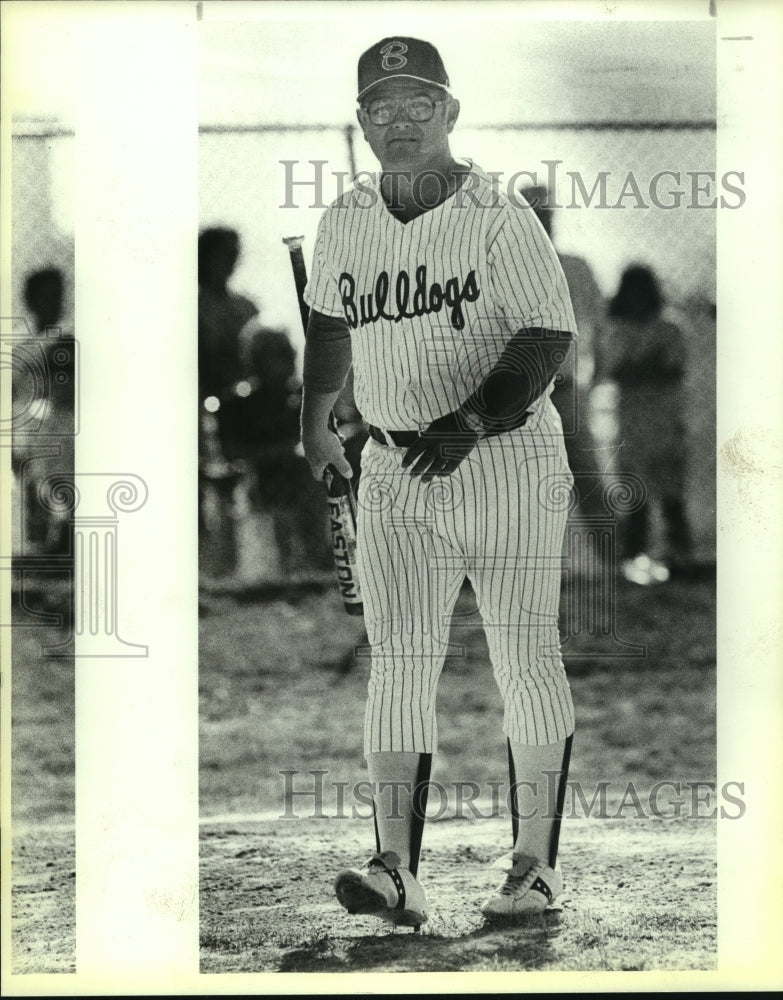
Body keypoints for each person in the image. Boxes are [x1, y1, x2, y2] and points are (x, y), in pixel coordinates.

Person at [300, 37, 577, 925]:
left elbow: (545, 339)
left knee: (525, 657)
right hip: (391, 466)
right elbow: (329, 329)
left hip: (509, 459)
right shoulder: (342, 218)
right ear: (361, 122)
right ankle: (394, 869)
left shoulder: (500, 214)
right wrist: (315, 422)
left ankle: (531, 869)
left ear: (451, 112)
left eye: (419, 104)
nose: (400, 122)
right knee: (398, 664)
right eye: (381, 108)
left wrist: (471, 420)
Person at [597, 265, 692, 583]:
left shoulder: (669, 327)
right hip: (633, 426)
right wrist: (647, 365)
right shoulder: (617, 329)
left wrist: (641, 368)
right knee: (636, 498)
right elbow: (617, 371)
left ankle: (681, 558)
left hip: (665, 423)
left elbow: (673, 369)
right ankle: (636, 562)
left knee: (671, 496)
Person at [518, 185, 605, 517]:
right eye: (535, 213)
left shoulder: (575, 267)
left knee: (586, 474)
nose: (542, 220)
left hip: (565, 387)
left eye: (545, 213)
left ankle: (613, 562)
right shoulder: (504, 265)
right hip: (519, 391)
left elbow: (600, 329)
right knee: (522, 482)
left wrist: (596, 376)